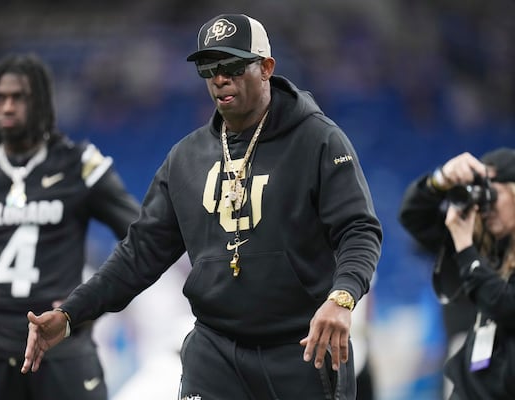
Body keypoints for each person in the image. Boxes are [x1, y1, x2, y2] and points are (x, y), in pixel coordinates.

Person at [22, 14, 382, 400]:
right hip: (216, 352)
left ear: (266, 67)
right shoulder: (187, 157)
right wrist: (72, 313)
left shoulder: (319, 141)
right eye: (208, 68)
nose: (219, 78)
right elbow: (139, 253)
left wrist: (342, 298)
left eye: (231, 66)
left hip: (300, 348)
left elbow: (358, 230)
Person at [0, 53, 140, 400]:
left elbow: (141, 236)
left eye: (18, 98)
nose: (7, 107)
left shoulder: (79, 166)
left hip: (63, 348)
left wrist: (90, 302)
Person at [398, 149, 515, 398]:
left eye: (493, 193)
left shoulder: (467, 245)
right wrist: (441, 180)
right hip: (470, 376)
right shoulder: (477, 238)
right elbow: (412, 215)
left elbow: (506, 305)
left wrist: (466, 250)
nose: (486, 206)